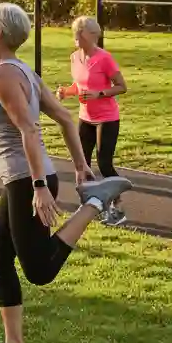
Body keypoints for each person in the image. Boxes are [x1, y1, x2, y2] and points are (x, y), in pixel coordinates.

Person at [0, 2, 132, 343]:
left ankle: (93, 204)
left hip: (26, 180)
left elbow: (30, 129)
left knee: (39, 270)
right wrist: (80, 167)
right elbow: (64, 115)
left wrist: (40, 186)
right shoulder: (20, 71)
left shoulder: (5, 77)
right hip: (24, 179)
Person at [55, 16, 128, 226]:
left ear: (91, 35)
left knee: (104, 164)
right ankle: (91, 207)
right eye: (75, 31)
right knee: (82, 164)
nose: (76, 35)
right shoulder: (75, 58)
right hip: (85, 117)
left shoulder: (104, 58)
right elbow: (79, 85)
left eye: (80, 32)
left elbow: (121, 86)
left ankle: (118, 208)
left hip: (107, 118)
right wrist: (66, 92)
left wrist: (100, 94)